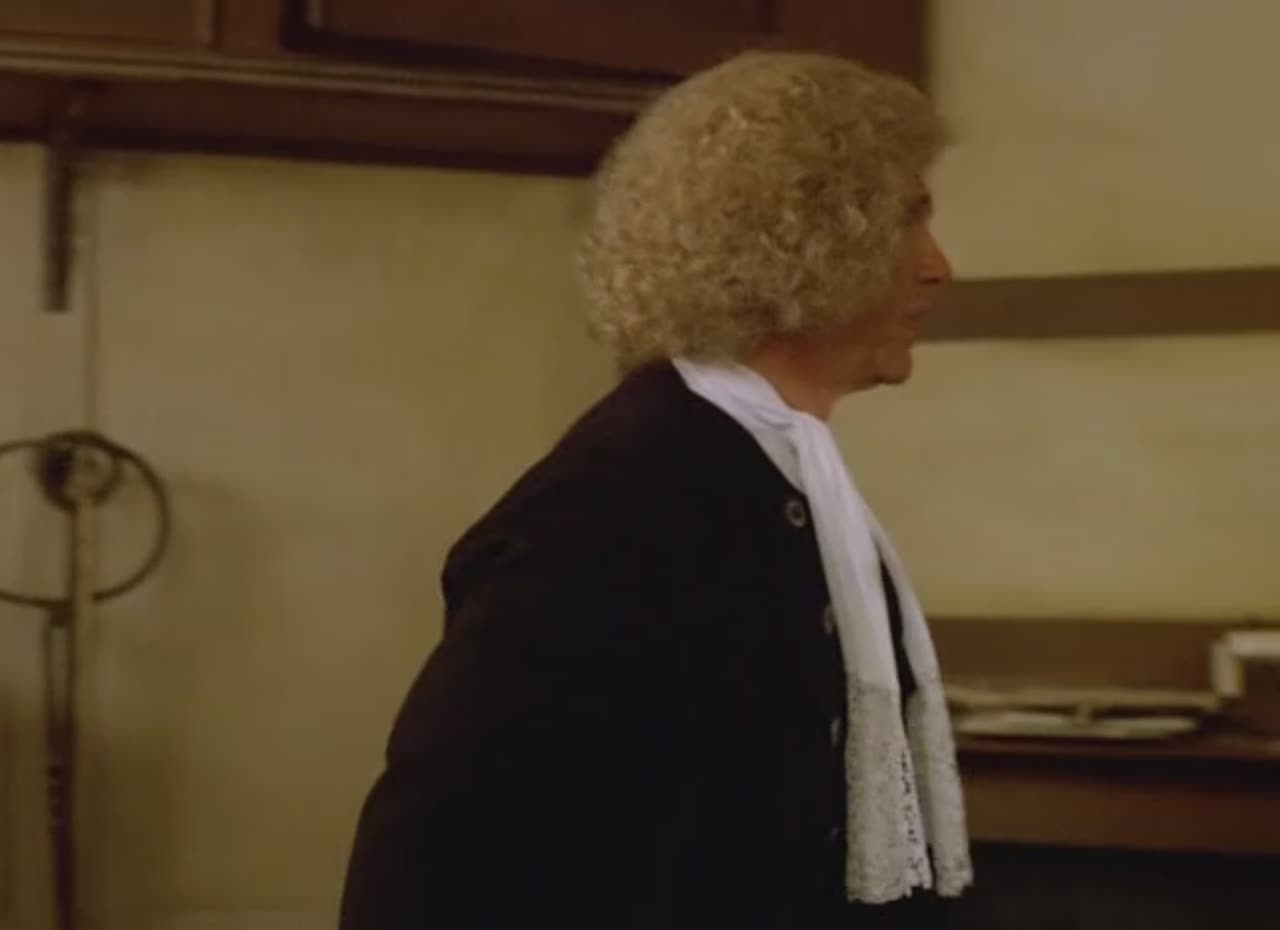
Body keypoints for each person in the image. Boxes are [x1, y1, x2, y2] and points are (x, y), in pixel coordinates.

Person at [340, 50, 972, 929]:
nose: (938, 267)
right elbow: (434, 858)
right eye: (909, 221)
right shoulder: (618, 503)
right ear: (805, 239)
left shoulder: (773, 473)